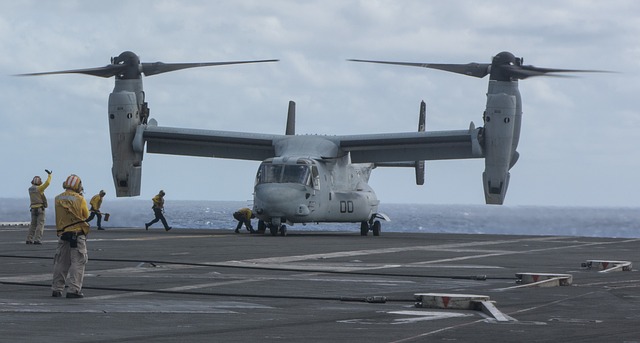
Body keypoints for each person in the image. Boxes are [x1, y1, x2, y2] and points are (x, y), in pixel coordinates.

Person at [51, 174, 90, 298]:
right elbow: (86, 215)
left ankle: (57, 289)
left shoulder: (57, 198)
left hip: (63, 235)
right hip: (77, 235)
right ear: (77, 185)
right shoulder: (79, 199)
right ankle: (74, 290)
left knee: (61, 263)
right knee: (78, 262)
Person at [27, 169, 52, 245]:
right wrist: (49, 175)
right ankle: (37, 239)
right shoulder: (39, 188)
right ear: (39, 182)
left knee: (33, 224)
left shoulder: (30, 189)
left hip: (33, 208)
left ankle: (29, 239)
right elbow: (47, 183)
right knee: (40, 225)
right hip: (40, 208)